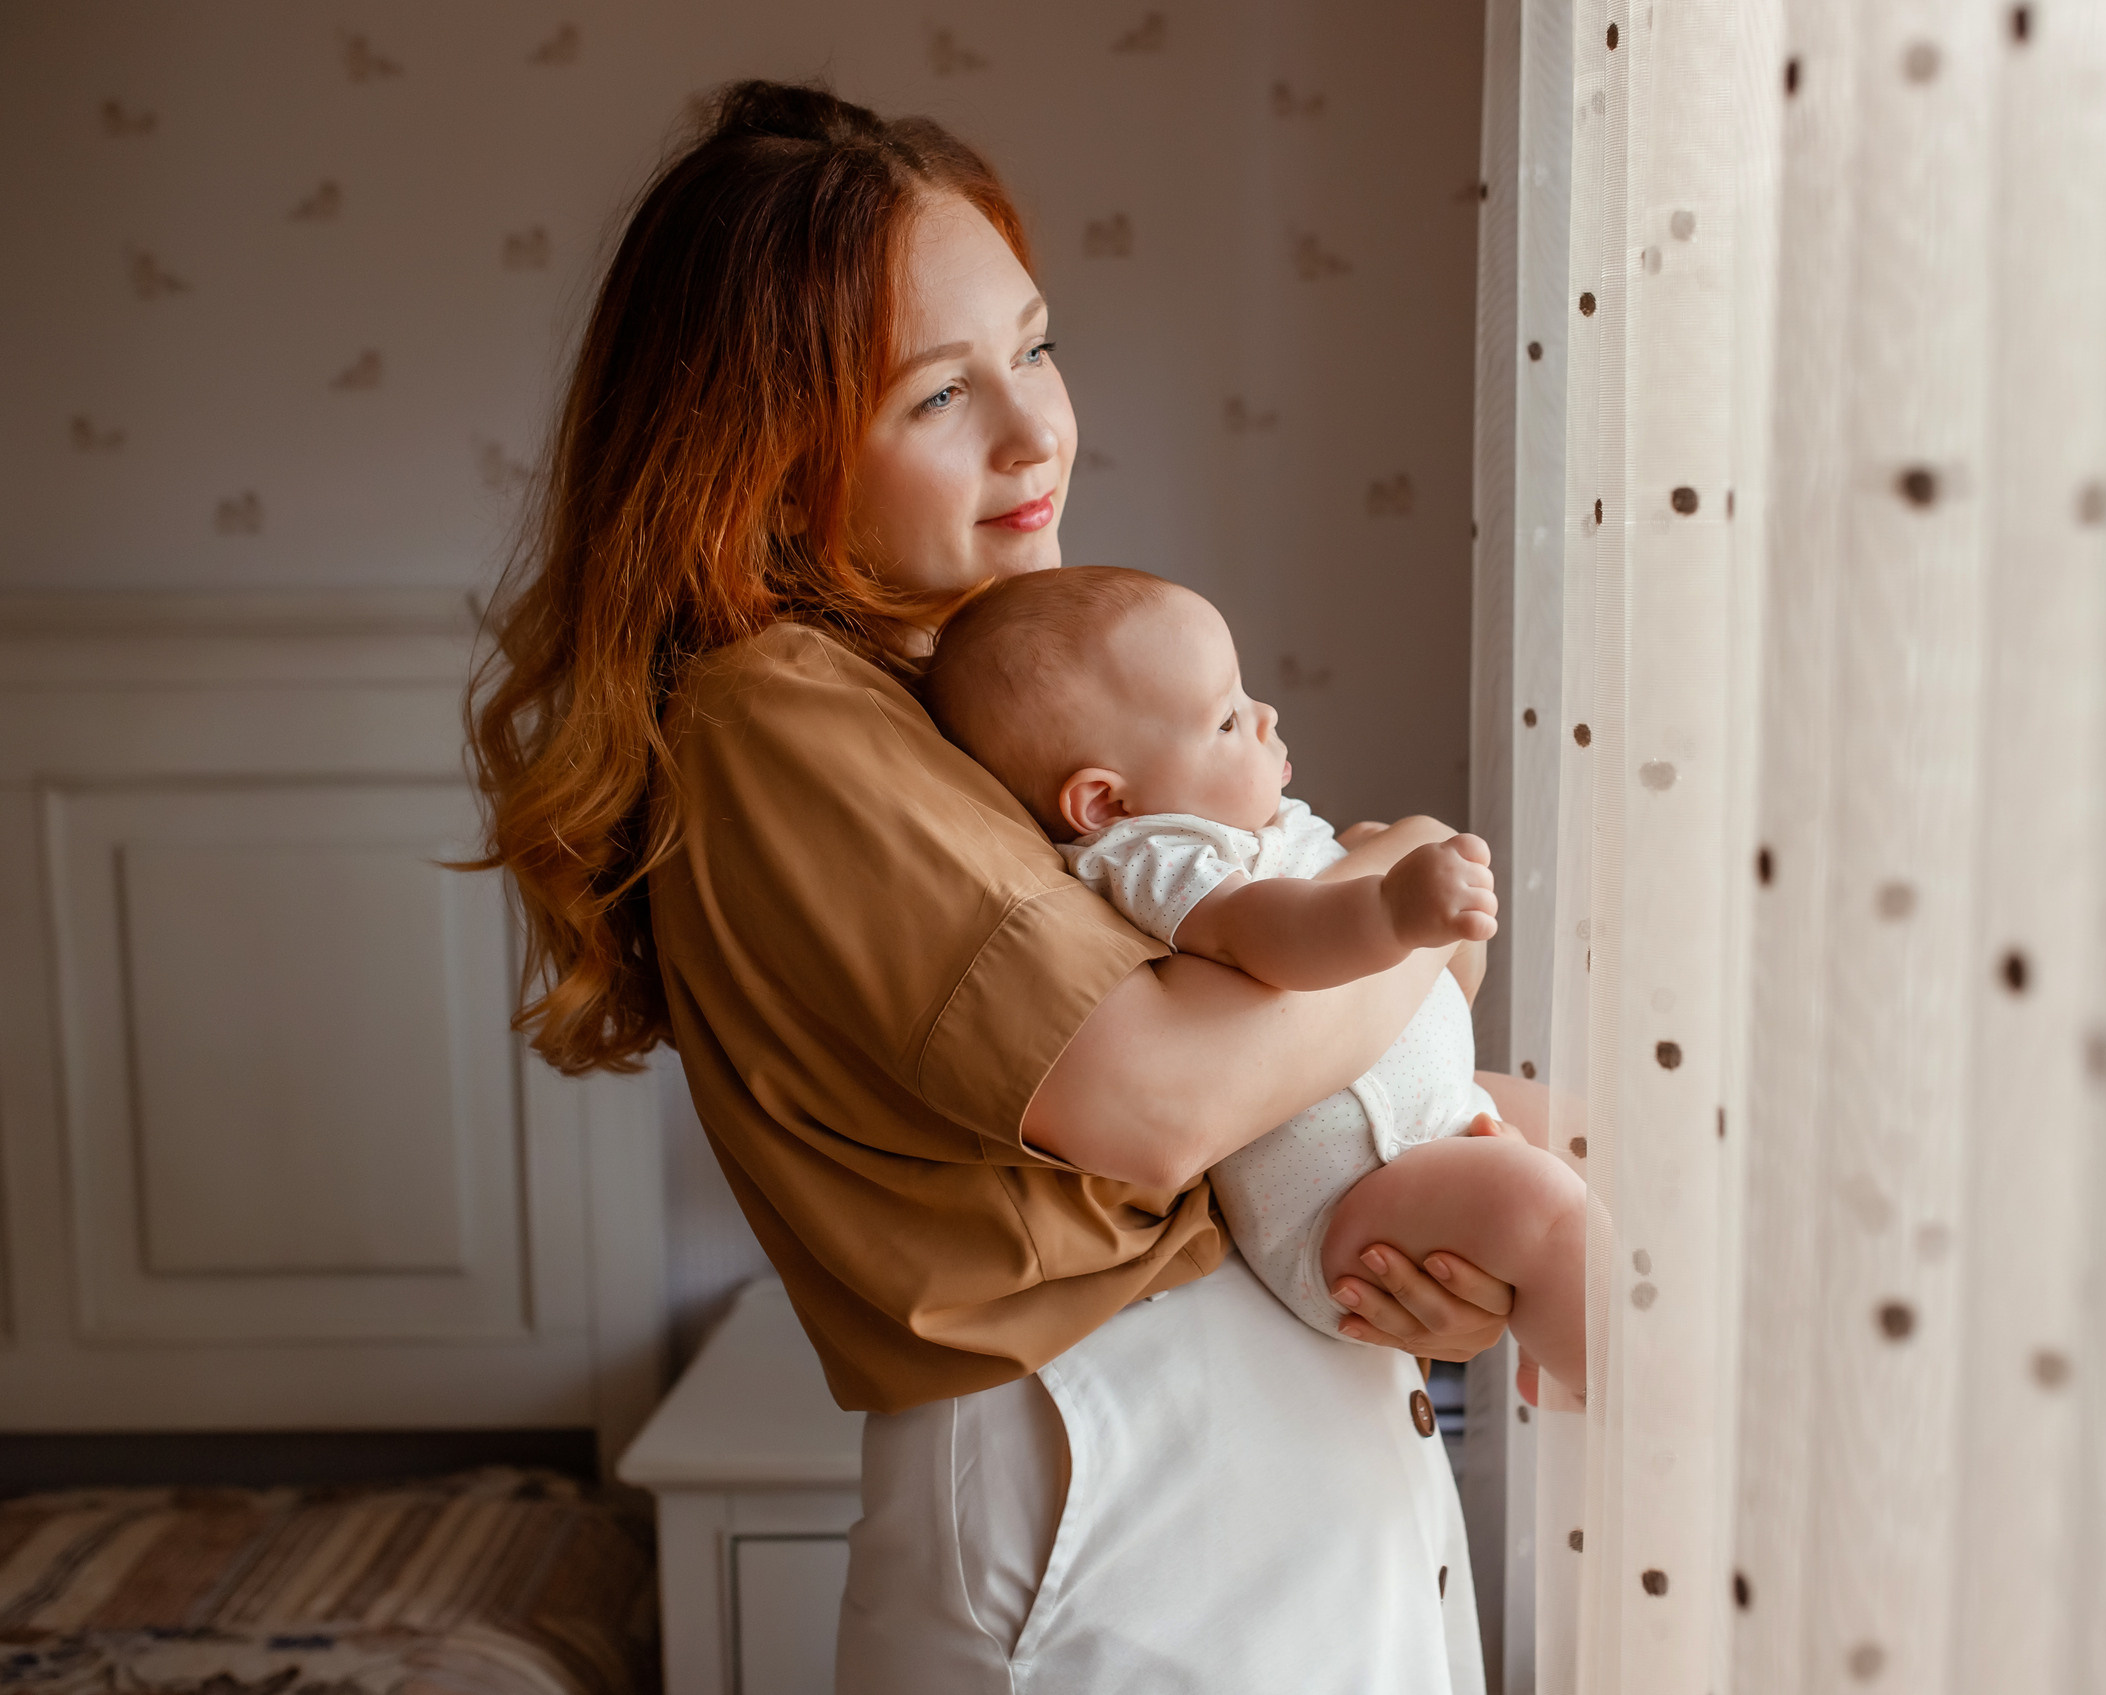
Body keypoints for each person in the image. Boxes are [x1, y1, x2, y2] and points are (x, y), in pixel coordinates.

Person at [464, 81, 1544, 1692]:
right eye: (938, 393)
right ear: (760, 454)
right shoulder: (780, 716)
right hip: (1119, 1480)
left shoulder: (957, 693)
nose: (1036, 430)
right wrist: (1392, 888)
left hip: (1233, 1461)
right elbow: (1163, 1099)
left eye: (1034, 347)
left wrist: (1403, 1230)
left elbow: (1263, 1051)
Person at [923, 566, 1588, 1395]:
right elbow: (1270, 937)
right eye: (1228, 718)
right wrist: (1391, 908)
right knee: (1540, 1205)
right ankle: (1633, 1395)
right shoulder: (1156, 856)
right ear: (1106, 803)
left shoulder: (1242, 823)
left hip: (1426, 1117)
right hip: (1352, 1192)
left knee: (1597, 1137)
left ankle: (1562, 1336)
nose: (1266, 714)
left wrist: (1361, 850)